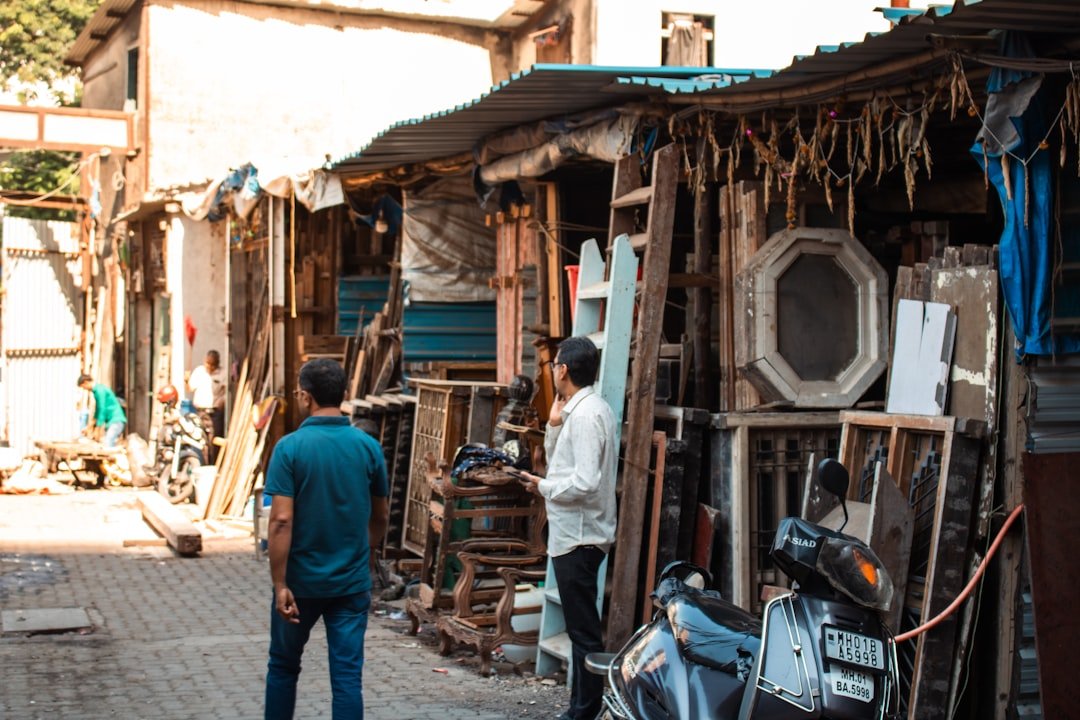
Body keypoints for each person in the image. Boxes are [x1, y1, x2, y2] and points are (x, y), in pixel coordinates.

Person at [263, 358, 389, 720]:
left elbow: (281, 520)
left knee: (284, 668)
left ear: (305, 396)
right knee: (348, 678)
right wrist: (364, 556)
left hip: (300, 584)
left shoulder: (289, 448)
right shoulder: (367, 447)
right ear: (344, 394)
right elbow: (379, 516)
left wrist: (280, 582)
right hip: (350, 584)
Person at [518, 336, 617, 720]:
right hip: (572, 533)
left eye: (554, 365)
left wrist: (542, 486)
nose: (553, 370)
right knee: (580, 629)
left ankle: (585, 710)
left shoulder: (590, 413)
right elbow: (563, 461)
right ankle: (582, 707)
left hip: (581, 535)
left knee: (583, 631)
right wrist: (554, 425)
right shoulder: (577, 411)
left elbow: (586, 481)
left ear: (563, 370)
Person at [186, 350, 226, 463]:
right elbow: (190, 388)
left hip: (215, 413)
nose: (209, 367)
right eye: (208, 364)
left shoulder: (223, 373)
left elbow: (227, 391)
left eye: (212, 364)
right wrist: (186, 380)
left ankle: (215, 464)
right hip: (200, 412)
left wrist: (222, 402)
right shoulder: (199, 372)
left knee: (214, 440)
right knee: (201, 440)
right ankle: (204, 464)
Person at [77, 374, 127, 448]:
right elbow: (97, 412)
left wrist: (98, 429)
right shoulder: (97, 390)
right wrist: (89, 427)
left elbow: (102, 410)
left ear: (86, 382)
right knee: (107, 444)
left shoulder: (100, 390)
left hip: (116, 420)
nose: (85, 389)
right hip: (112, 422)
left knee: (108, 443)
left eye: (84, 387)